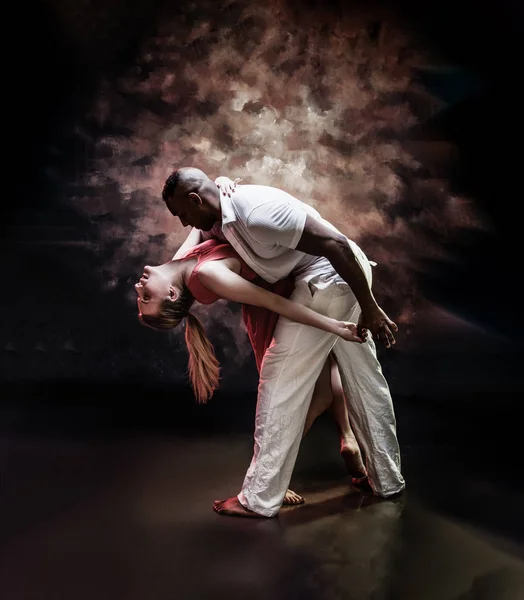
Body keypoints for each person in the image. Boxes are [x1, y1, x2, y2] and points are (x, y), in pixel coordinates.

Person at [162, 167, 406, 518]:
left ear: (195, 200)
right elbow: (188, 248)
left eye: (182, 214)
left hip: (332, 278)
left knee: (280, 383)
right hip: (335, 281)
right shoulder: (214, 214)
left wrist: (370, 307)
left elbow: (334, 244)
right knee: (366, 382)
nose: (185, 223)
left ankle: (258, 500)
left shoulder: (257, 212)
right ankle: (388, 480)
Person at [135, 238, 368, 504]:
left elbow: (199, 224)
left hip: (291, 287)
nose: (137, 286)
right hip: (278, 308)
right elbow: (274, 303)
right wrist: (334, 325)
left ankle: (347, 437)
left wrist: (224, 194)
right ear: (172, 294)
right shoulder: (206, 275)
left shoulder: (180, 264)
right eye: (146, 297)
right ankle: (275, 474)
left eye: (141, 296)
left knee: (328, 369)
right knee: (304, 395)